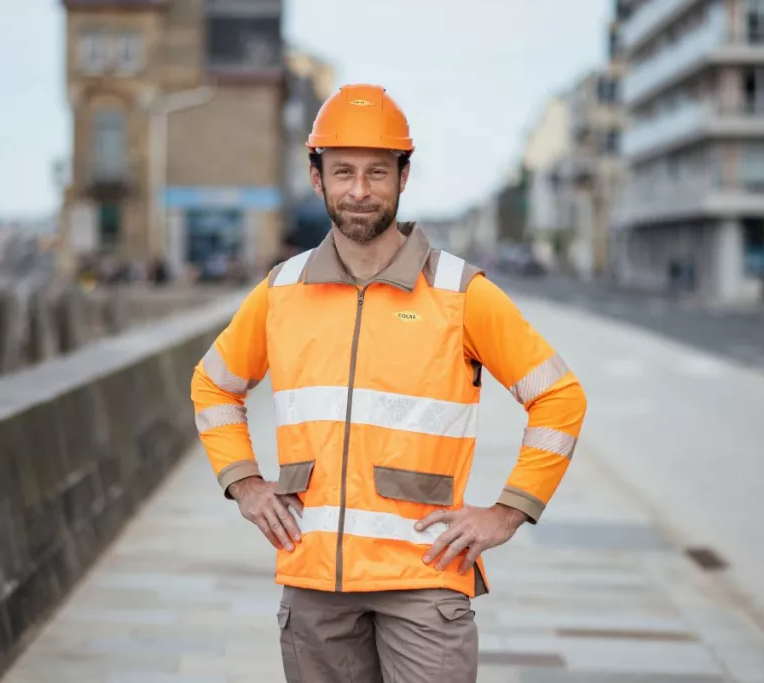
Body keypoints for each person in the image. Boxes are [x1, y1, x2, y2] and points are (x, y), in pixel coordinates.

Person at [190, 83, 588, 683]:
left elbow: (558, 397)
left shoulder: (460, 292)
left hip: (424, 577)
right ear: (315, 176)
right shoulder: (282, 290)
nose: (358, 190)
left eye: (377, 172)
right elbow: (213, 385)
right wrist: (244, 483)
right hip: (314, 577)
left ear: (404, 177)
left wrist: (508, 512)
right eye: (342, 171)